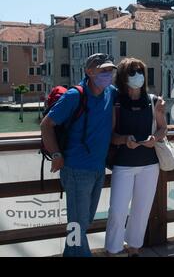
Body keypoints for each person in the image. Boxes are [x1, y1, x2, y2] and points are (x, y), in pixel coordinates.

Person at [40, 53, 117, 257]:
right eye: (103, 70)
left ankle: (70, 254)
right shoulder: (75, 96)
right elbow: (46, 124)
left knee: (83, 221)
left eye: (110, 70)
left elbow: (132, 95)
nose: (108, 74)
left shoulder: (110, 92)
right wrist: (56, 154)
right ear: (89, 72)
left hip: (98, 168)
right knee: (77, 224)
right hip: (76, 170)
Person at [105, 58, 167, 257]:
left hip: (150, 165)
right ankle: (113, 249)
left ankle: (134, 247)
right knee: (117, 211)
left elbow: (163, 128)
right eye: (132, 72)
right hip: (123, 165)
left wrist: (154, 138)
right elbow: (111, 136)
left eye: (140, 71)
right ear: (123, 77)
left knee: (142, 210)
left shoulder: (154, 101)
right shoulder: (116, 103)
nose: (137, 76)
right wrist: (124, 140)